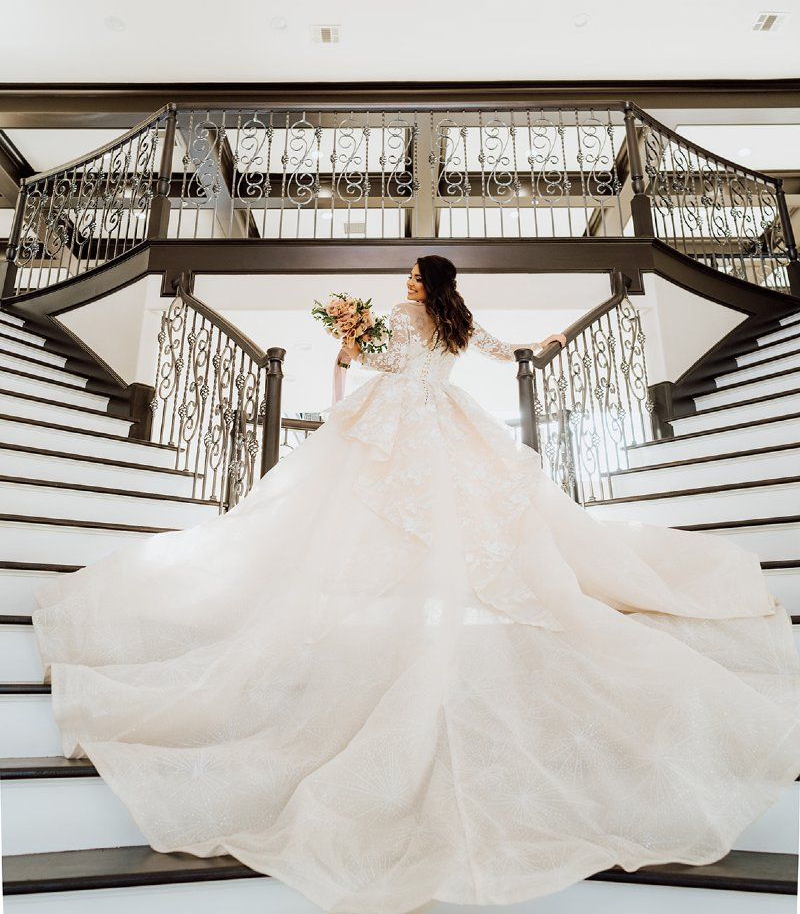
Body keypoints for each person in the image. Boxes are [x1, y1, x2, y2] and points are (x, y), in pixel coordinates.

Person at [32, 254, 800, 914]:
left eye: (409, 274)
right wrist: (548, 341)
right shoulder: (459, 321)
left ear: (421, 283)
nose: (403, 281)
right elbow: (503, 349)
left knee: (363, 515)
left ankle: (390, 605)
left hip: (401, 415)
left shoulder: (403, 315)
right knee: (460, 521)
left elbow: (378, 362)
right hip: (447, 418)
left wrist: (345, 346)